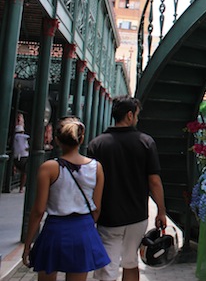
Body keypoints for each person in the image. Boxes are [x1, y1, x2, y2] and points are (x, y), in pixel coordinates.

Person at [88, 96, 167, 281]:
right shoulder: (146, 142)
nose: (137, 120)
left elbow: (91, 183)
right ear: (129, 115)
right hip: (137, 216)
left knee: (108, 266)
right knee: (131, 263)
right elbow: (154, 181)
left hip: (108, 217)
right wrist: (161, 211)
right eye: (137, 115)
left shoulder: (97, 144)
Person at [22, 117, 110, 280]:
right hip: (83, 229)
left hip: (54, 230)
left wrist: (28, 244)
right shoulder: (95, 167)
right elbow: (97, 207)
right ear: (81, 139)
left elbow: (38, 210)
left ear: (57, 140)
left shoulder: (49, 168)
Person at [13, 124, 30, 193]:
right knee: (24, 173)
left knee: (22, 172)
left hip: (17, 156)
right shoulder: (19, 136)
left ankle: (21, 187)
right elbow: (28, 137)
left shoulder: (16, 138)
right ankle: (21, 188)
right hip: (23, 156)